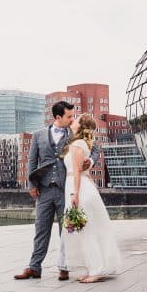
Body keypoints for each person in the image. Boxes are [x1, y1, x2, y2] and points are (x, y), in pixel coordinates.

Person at [14, 101, 100, 280]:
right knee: (40, 230)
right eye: (69, 116)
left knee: (66, 230)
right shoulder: (38, 135)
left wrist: (90, 162)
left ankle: (64, 267)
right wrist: (31, 185)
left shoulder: (75, 133)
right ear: (58, 117)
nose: (72, 119)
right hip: (44, 190)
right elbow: (32, 161)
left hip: (65, 189)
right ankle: (34, 267)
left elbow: (95, 149)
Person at [62, 113, 121, 283]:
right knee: (87, 229)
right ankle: (93, 268)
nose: (73, 121)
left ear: (80, 126)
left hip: (77, 187)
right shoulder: (81, 143)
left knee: (86, 230)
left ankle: (96, 270)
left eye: (76, 120)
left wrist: (75, 194)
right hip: (81, 187)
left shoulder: (77, 144)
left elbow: (77, 171)